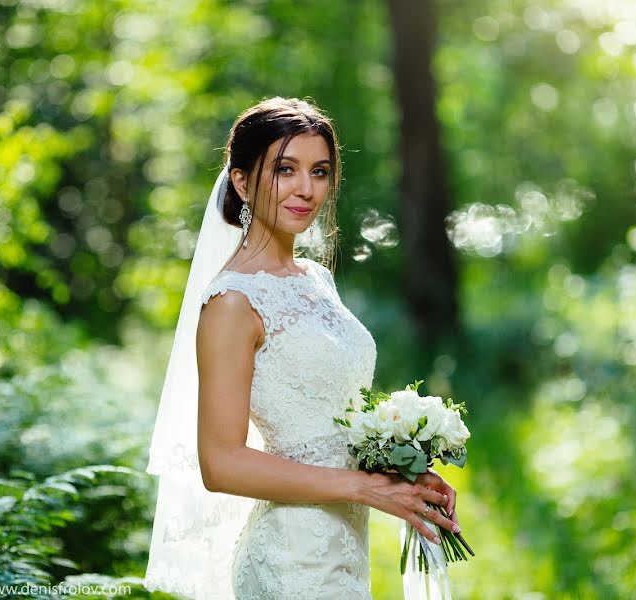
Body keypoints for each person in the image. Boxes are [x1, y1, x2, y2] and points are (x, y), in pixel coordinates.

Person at [144, 97, 462, 600]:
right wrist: (364, 488)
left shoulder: (315, 279)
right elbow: (221, 463)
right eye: (285, 170)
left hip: (344, 545)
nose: (306, 189)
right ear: (242, 181)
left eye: (319, 171)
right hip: (291, 557)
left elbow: (326, 420)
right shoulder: (232, 302)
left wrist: (400, 469)